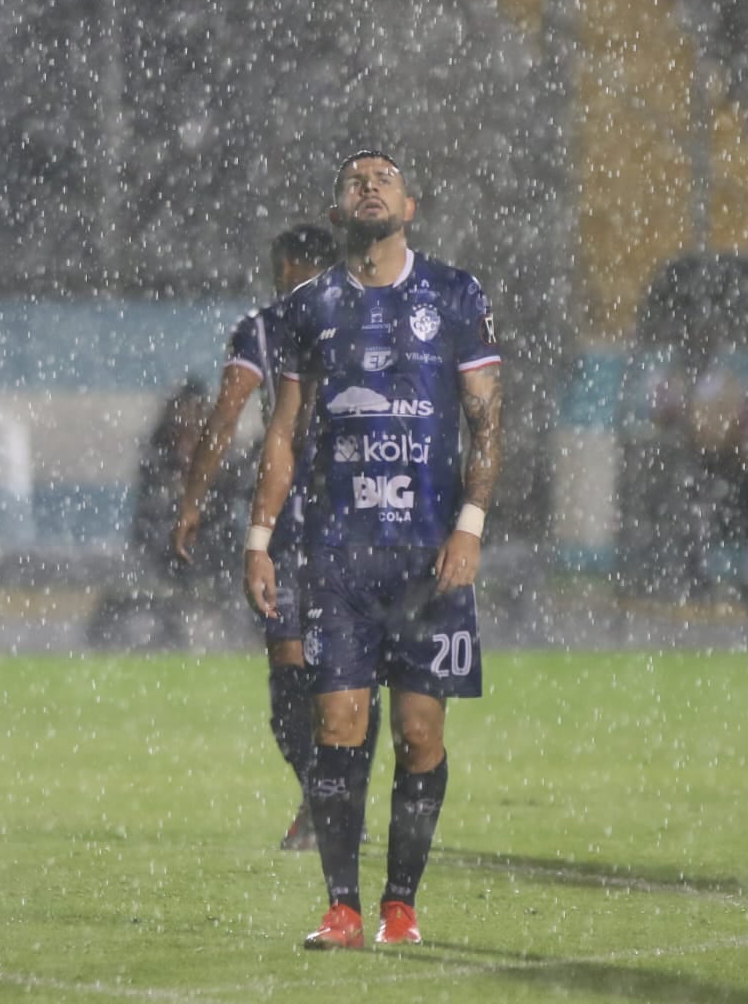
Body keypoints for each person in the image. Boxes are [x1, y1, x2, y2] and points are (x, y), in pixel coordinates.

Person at [243, 150, 503, 949]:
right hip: (339, 555)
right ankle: (343, 908)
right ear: (337, 211)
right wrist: (260, 541)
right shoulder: (306, 307)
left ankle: (401, 905)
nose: (368, 185)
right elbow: (283, 434)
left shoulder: (456, 295)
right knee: (340, 724)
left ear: (410, 207)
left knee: (421, 734)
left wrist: (469, 526)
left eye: (383, 178)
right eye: (355, 180)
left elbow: (487, 422)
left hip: (429, 557)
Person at [172, 225, 380, 852]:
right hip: (359, 514)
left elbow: (226, 413)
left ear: (289, 265)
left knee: (294, 679)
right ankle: (337, 800)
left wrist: (192, 499)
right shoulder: (369, 320)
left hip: (298, 520)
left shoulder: (264, 328)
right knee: (342, 675)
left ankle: (327, 796)